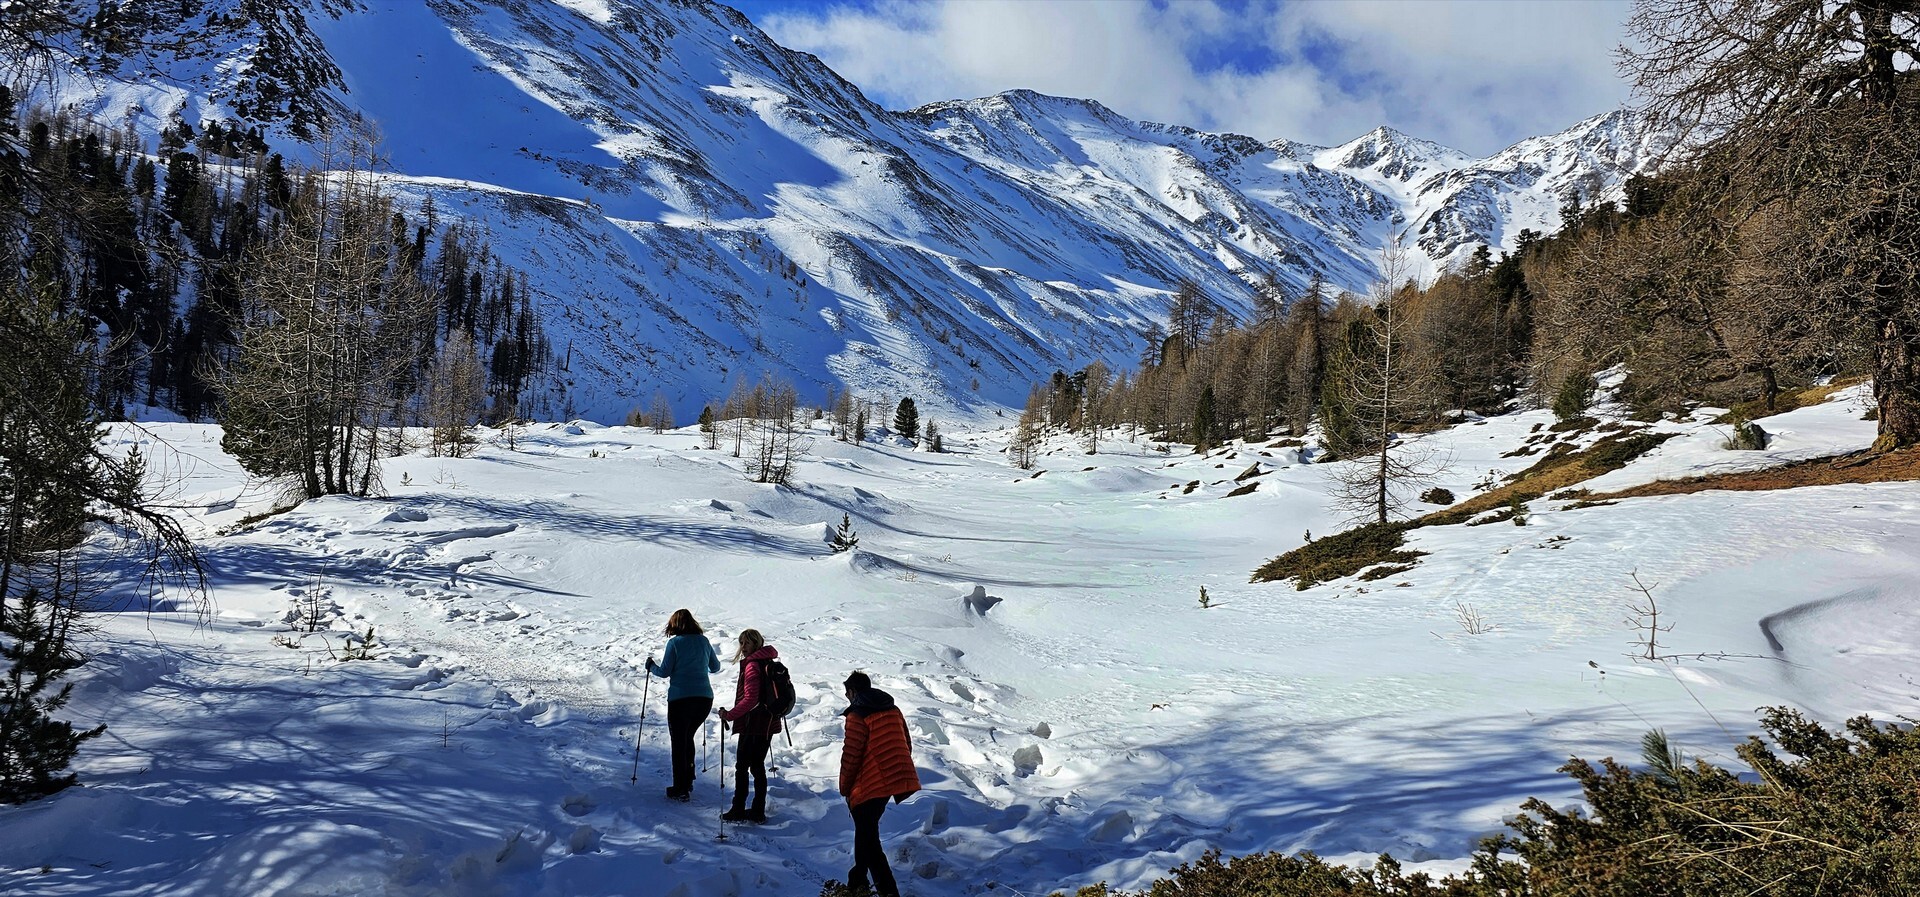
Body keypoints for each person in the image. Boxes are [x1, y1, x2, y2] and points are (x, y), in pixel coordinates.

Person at [838, 671, 920, 897]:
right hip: (891, 781)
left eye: (847, 693)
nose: (846, 697)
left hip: (869, 784)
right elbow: (906, 742)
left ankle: (883, 891)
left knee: (870, 841)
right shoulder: (892, 709)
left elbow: (851, 756)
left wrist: (845, 787)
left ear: (853, 691)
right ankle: (859, 882)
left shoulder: (857, 715)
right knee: (866, 834)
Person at [644, 609, 720, 801]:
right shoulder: (703, 641)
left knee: (679, 742)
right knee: (688, 737)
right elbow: (715, 667)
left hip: (681, 699)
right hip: (704, 699)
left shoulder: (675, 643)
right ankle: (688, 780)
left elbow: (664, 672)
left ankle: (681, 787)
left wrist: (651, 666)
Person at [718, 628, 782, 823]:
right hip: (769, 722)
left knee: (742, 767)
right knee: (757, 766)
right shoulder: (767, 661)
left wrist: (730, 715)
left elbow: (751, 699)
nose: (743, 647)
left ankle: (738, 809)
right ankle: (757, 810)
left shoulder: (753, 665)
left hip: (753, 724)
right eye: (741, 643)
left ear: (756, 643)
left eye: (747, 642)